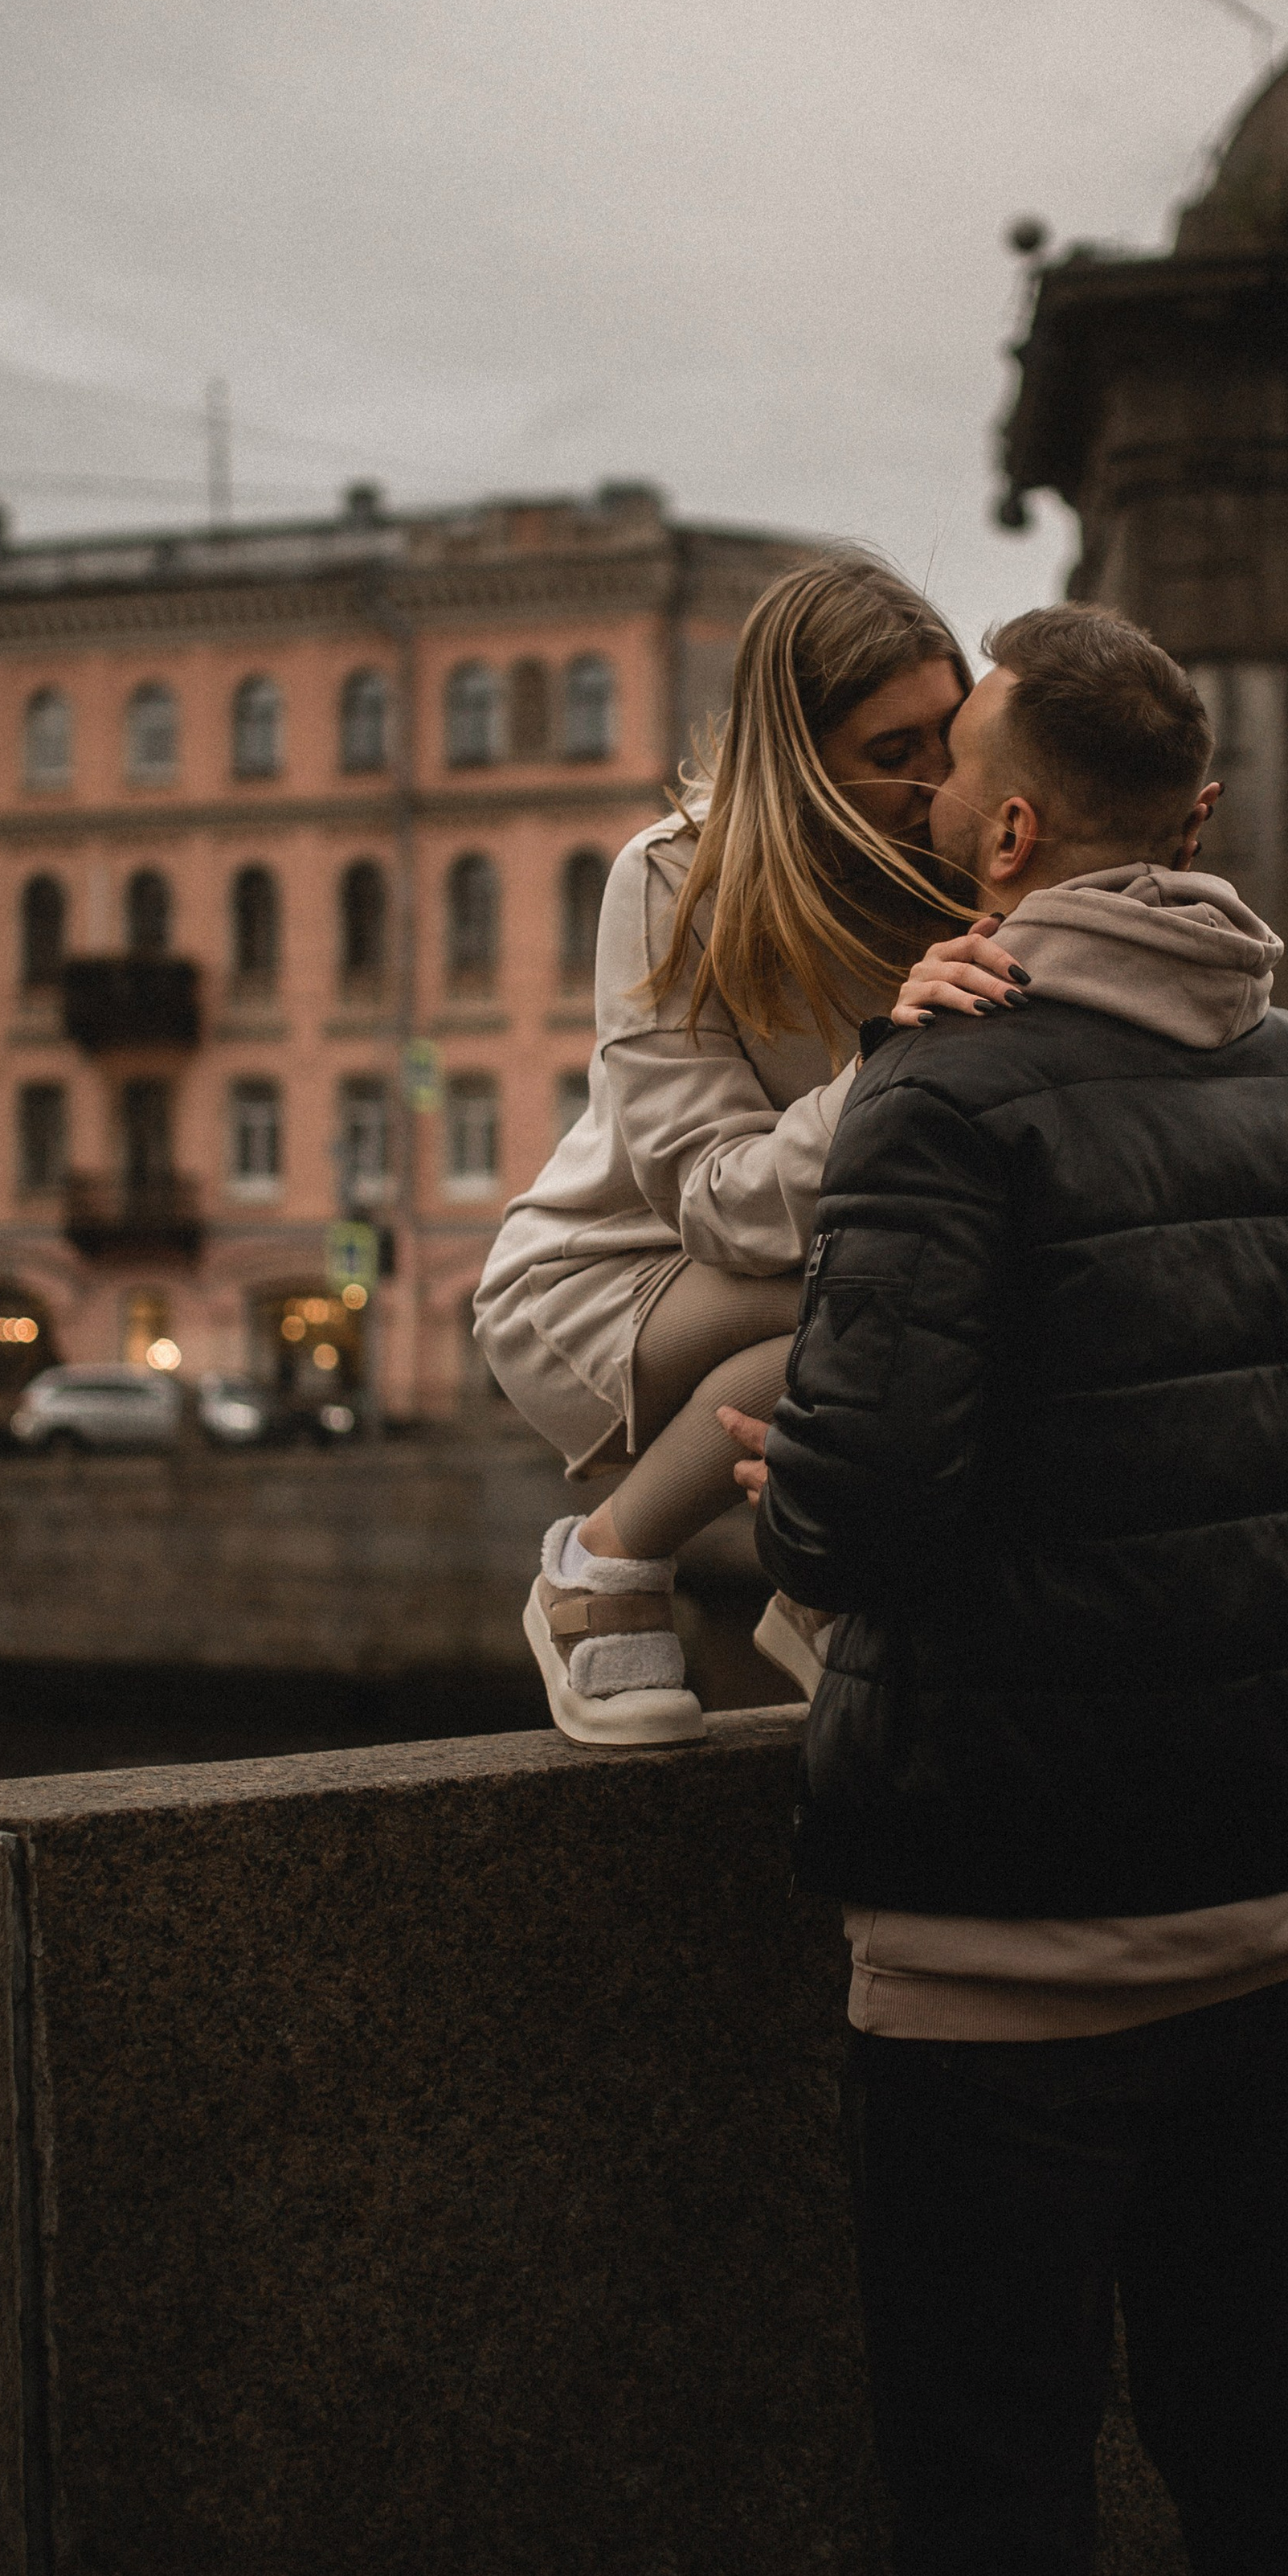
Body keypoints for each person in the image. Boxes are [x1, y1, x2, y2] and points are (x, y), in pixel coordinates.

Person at [723, 606, 1288, 2576]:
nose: (929, 798)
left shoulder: (940, 1092)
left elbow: (854, 1526)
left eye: (951, 770)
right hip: (1284, 1906)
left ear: (1004, 837)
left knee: (994, 2512)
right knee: (1271, 2445)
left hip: (1001, 1950)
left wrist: (796, 1465)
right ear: (1196, 813)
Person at [474, 552, 1090, 1743]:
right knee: (889, 1285)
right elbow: (715, 1199)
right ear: (800, 757)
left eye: (947, 735)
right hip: (617, 1274)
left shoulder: (966, 856)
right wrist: (888, 1067)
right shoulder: (672, 875)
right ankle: (598, 1567)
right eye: (892, 750)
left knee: (950, 1283)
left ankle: (818, 1587)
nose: (933, 780)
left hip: (832, 1263)